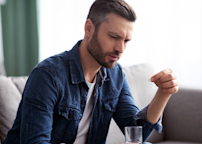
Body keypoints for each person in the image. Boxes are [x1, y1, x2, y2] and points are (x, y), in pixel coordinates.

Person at [3, 0, 179, 143]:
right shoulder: (48, 76)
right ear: (89, 28)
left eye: (126, 40)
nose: (121, 48)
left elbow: (135, 132)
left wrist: (163, 93)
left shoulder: (115, 75)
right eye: (114, 37)